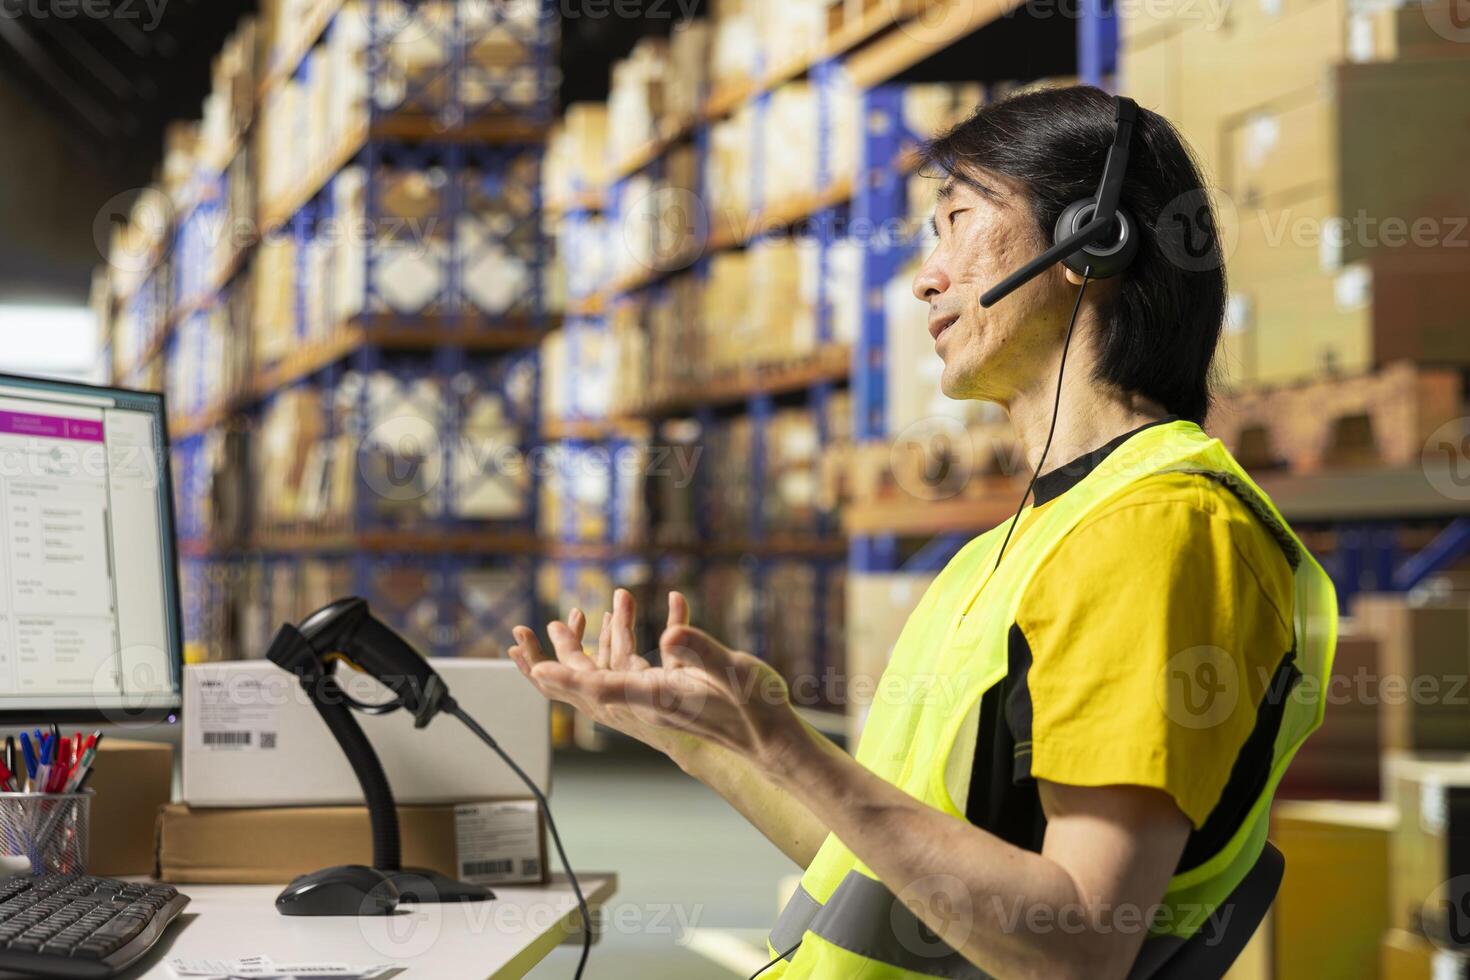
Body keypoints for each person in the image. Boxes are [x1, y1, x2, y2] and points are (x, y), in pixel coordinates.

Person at [506, 85, 1336, 980]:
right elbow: (880, 868)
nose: (926, 275)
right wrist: (712, 741)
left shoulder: (1160, 529)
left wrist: (788, 743)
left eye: (958, 221)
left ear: (1091, 241)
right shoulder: (1010, 548)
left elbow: (1080, 945)